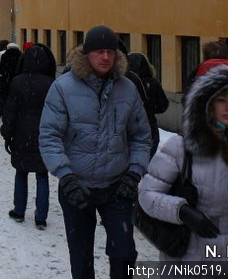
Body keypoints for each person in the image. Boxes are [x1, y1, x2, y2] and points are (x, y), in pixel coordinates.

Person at [39, 25, 151, 279]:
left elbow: (141, 136)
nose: (106, 58)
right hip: (76, 187)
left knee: (124, 254)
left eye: (110, 52)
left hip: (116, 187)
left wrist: (134, 173)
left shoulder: (127, 89)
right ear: (86, 54)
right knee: (81, 258)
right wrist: (65, 176)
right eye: (100, 52)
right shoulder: (63, 88)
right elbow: (49, 136)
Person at [138, 64, 228, 265]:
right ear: (209, 105)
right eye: (222, 100)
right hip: (185, 253)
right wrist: (182, 211)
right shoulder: (180, 147)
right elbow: (147, 196)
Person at [2, 42, 56, 230]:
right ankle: (41, 216)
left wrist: (7, 133)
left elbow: (10, 110)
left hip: (21, 132)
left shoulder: (18, 81)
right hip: (44, 133)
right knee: (42, 175)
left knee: (21, 172)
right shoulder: (51, 83)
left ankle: (19, 210)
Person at [125, 52, 170, 158]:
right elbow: (163, 105)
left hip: (128, 128)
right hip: (149, 126)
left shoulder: (125, 83)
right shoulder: (152, 82)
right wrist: (150, 109)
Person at [0, 42, 23, 117]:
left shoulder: (5, 55)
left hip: (6, 78)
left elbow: (1, 67)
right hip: (16, 78)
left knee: (4, 95)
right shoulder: (20, 55)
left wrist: (3, 75)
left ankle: (3, 110)